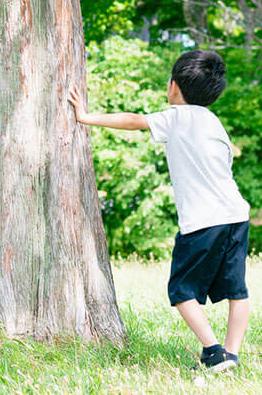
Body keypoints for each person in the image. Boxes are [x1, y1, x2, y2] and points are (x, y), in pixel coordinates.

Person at [68, 49, 250, 373]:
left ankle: (213, 351)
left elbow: (133, 121)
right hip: (236, 215)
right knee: (237, 289)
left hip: (203, 221)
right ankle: (232, 355)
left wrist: (85, 116)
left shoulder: (175, 117)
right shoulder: (214, 123)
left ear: (175, 86)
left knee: (181, 290)